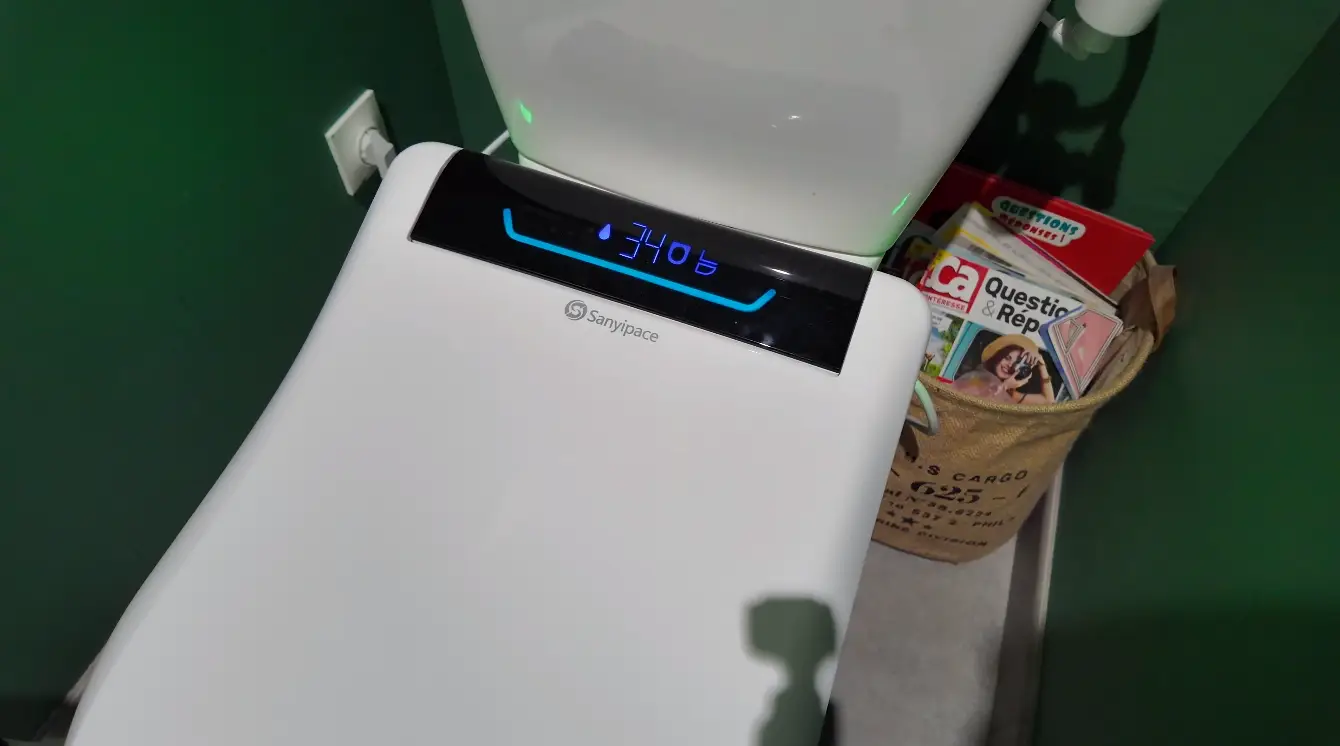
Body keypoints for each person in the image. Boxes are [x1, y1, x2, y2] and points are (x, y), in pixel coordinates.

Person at [951, 334, 1055, 405]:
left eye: (1016, 364)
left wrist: (1041, 365)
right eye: (1007, 358)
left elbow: (1048, 402)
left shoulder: (1009, 393)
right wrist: (1005, 386)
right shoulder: (977, 376)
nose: (1009, 365)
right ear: (998, 357)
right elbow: (974, 406)